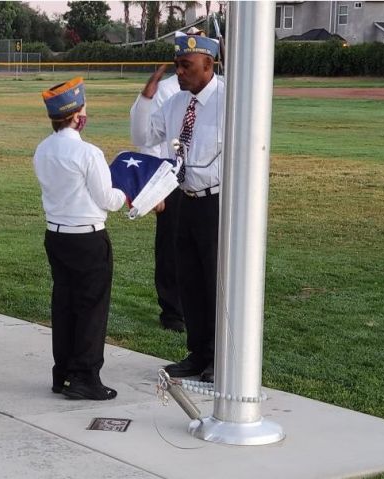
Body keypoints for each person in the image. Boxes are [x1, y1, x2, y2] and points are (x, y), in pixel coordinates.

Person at [131, 32, 225, 383]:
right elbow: (143, 138)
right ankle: (197, 352)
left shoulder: (229, 99)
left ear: (208, 65)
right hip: (183, 200)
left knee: (215, 281)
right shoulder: (174, 104)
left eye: (186, 66)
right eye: (177, 66)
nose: (180, 73)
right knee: (189, 280)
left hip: (216, 202)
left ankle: (220, 356)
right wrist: (146, 98)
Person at [34, 77, 126, 400]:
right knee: (91, 308)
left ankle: (63, 374)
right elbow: (106, 198)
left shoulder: (43, 149)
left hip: (56, 235)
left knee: (64, 305)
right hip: (87, 238)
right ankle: (86, 375)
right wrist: (127, 193)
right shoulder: (88, 153)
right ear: (77, 116)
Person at [129, 74, 185, 333]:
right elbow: (148, 140)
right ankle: (173, 311)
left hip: (211, 185)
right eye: (179, 63)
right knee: (170, 250)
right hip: (172, 181)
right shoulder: (169, 92)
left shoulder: (221, 89)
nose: (182, 70)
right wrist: (155, 188)